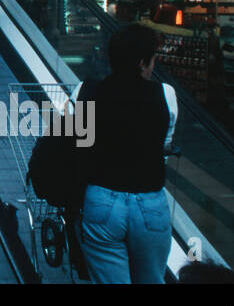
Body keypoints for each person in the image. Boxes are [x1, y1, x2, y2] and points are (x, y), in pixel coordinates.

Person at [73, 24, 178, 284]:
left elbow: (78, 143)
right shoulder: (166, 95)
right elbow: (165, 143)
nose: (153, 66)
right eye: (152, 59)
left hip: (101, 201)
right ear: (143, 63)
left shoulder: (85, 92)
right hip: (150, 203)